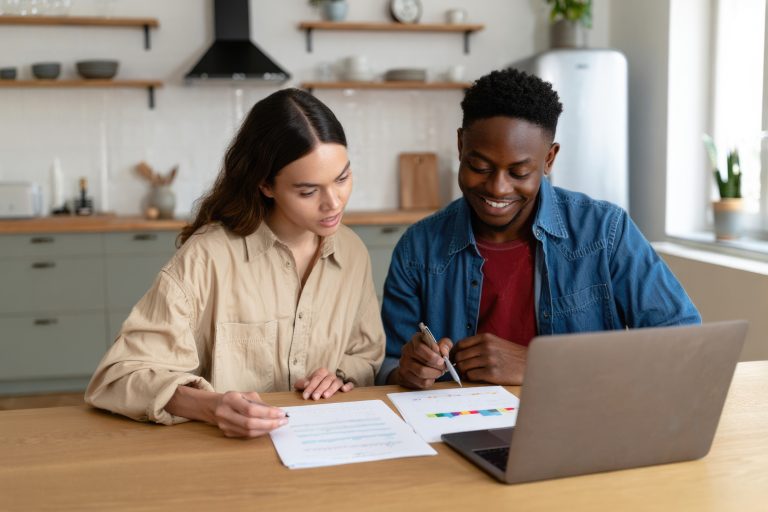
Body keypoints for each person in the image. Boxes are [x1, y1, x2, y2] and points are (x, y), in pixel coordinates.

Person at [86, 88, 385, 437]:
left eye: (342, 178)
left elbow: (365, 354)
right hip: (225, 459)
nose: (333, 203)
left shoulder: (352, 252)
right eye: (308, 191)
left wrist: (339, 376)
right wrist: (210, 406)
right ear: (266, 185)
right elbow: (117, 377)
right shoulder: (207, 257)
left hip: (322, 446)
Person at [378, 68, 701, 389]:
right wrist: (406, 371)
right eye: (480, 167)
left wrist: (540, 364)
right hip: (458, 428)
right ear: (461, 145)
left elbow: (684, 344)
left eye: (518, 172)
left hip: (578, 425)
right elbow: (388, 364)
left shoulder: (605, 232)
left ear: (548, 159)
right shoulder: (417, 248)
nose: (498, 188)